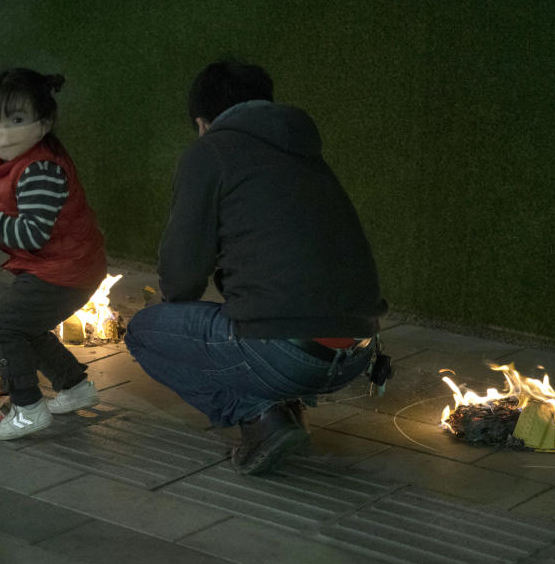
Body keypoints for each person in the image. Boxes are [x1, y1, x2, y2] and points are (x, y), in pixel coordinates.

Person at [125, 60, 390, 475]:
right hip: (357, 353)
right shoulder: (305, 153)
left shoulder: (209, 152)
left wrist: (178, 312)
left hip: (287, 353)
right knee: (263, 315)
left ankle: (260, 416)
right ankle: (287, 406)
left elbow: (182, 274)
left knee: (145, 332)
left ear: (201, 123)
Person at [0, 67, 107, 440]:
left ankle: (27, 408)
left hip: (63, 270)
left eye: (16, 120)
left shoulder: (40, 168)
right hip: (65, 266)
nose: (0, 131)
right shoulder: (16, 162)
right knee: (27, 326)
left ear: (44, 123)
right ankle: (74, 387)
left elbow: (32, 233)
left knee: (5, 326)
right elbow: (2, 205)